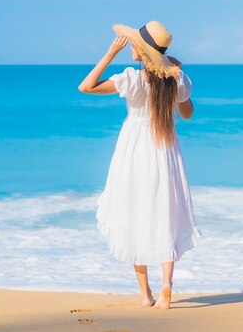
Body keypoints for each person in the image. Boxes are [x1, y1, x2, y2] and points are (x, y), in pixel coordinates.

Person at [78, 20, 201, 310]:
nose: (131, 46)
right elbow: (188, 114)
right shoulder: (177, 81)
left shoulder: (132, 80)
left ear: (143, 53)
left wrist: (109, 53)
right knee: (165, 212)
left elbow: (86, 86)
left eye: (135, 44)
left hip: (134, 154)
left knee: (133, 212)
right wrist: (177, 73)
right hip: (166, 152)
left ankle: (146, 296)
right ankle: (167, 286)